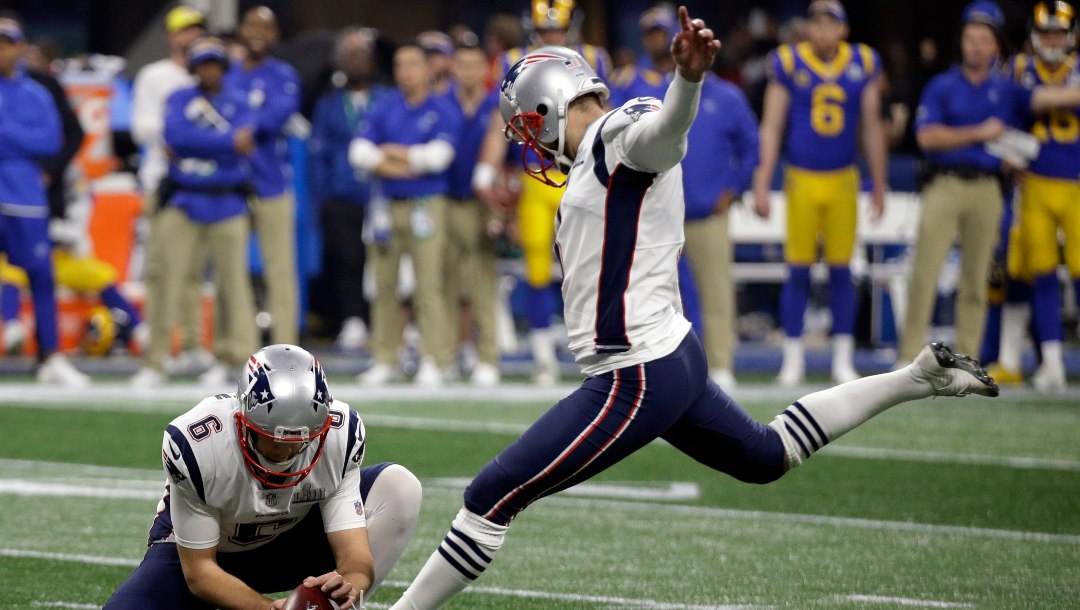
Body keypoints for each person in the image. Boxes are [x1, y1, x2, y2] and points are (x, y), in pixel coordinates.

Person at [388, 9, 999, 610]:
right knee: (767, 455)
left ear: (546, 108)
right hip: (670, 355)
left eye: (527, 125)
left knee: (491, 494)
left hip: (636, 373)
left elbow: (663, 136)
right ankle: (916, 377)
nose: (531, 142)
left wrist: (686, 81)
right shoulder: (607, 144)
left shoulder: (616, 133)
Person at [104, 344, 423, 609]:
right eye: (274, 439)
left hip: (290, 538)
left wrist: (349, 586)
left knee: (399, 487)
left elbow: (354, 557)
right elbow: (199, 572)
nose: (287, 453)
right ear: (242, 420)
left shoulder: (341, 434)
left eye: (301, 440)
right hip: (213, 552)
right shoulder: (199, 445)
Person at [898, 0, 1080, 366]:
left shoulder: (1007, 89)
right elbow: (927, 137)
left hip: (988, 187)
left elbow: (1049, 98)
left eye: (984, 39)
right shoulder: (942, 85)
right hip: (945, 184)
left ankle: (968, 360)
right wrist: (978, 133)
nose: (977, 46)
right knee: (925, 273)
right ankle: (906, 359)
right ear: (961, 42)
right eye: (971, 38)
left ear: (996, 45)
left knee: (977, 280)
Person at [610, 5, 759, 389]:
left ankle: (721, 364)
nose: (658, 39)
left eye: (663, 32)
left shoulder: (724, 94)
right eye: (651, 33)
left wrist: (735, 187)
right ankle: (659, 367)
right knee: (651, 292)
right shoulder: (631, 85)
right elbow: (611, 138)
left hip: (706, 208)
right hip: (653, 210)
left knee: (715, 289)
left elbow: (751, 145)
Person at [473, 0, 613, 386]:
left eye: (558, 30)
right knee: (535, 264)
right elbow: (498, 120)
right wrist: (486, 171)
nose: (552, 37)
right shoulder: (515, 60)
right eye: (546, 31)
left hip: (582, 173)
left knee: (593, 265)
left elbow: (606, 114)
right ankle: (542, 357)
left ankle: (600, 348)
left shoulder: (593, 58)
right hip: (537, 174)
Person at [751, 0, 888, 386]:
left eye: (832, 23)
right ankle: (792, 357)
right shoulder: (789, 62)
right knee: (798, 269)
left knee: (843, 270)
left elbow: (872, 125)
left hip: (844, 178)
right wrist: (762, 180)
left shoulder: (862, 61)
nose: (824, 30)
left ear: (843, 29)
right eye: (818, 23)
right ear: (808, 27)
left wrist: (879, 182)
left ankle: (842, 357)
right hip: (802, 178)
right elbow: (771, 126)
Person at [129, 36, 258, 387]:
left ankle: (234, 360)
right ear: (193, 68)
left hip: (227, 201)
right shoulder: (179, 98)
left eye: (215, 63)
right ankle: (155, 361)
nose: (209, 70)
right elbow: (174, 137)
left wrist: (203, 147)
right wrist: (226, 143)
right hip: (184, 199)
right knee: (166, 280)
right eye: (203, 64)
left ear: (223, 67)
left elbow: (243, 147)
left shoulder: (238, 101)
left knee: (234, 286)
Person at [349, 42, 462, 387]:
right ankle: (386, 356)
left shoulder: (442, 108)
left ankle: (434, 357)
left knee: (429, 284)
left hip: (427, 205)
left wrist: (389, 156)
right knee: (384, 284)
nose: (405, 72)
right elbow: (359, 153)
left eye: (412, 64)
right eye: (399, 65)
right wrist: (410, 163)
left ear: (427, 69)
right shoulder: (384, 105)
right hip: (387, 204)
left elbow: (438, 158)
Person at [0, 16, 88, 386]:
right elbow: (34, 140)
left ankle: (51, 354)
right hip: (17, 184)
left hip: (24, 195)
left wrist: (5, 134)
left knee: (40, 273)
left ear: (20, 47)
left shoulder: (37, 92)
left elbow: (51, 141)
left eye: (7, 42)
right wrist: (18, 141)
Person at [1001, 1, 1079, 392]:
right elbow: (1005, 115)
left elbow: (1024, 102)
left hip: (1077, 185)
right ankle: (1052, 363)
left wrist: (1036, 99)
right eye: (1046, 33)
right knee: (1042, 275)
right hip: (1033, 185)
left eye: (1058, 33)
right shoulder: (1017, 68)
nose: (1052, 40)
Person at [131, 4, 213, 374]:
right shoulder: (155, 75)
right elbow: (141, 127)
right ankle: (158, 351)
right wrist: (176, 135)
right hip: (163, 181)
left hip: (203, 183)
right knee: (162, 268)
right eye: (184, 30)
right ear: (170, 36)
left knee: (196, 270)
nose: (191, 35)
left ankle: (195, 345)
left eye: (197, 29)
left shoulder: (212, 73)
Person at [224, 6, 302, 355]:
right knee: (231, 269)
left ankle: (286, 350)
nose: (257, 32)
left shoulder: (283, 74)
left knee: (279, 270)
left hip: (271, 182)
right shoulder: (228, 73)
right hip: (230, 186)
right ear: (241, 29)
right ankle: (239, 350)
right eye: (251, 25)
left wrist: (241, 125)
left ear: (274, 36)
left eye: (265, 27)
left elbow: (275, 116)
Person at [308, 27, 387, 353]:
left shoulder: (387, 99)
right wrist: (323, 194)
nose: (357, 62)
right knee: (347, 259)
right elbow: (319, 153)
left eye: (362, 55)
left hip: (380, 193)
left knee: (383, 260)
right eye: (350, 55)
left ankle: (383, 322)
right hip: (342, 195)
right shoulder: (328, 102)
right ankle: (353, 319)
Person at [442, 41, 503, 387]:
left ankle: (488, 356)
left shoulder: (497, 104)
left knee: (482, 280)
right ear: (453, 68)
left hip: (482, 200)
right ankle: (449, 354)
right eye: (461, 65)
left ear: (485, 70)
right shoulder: (442, 102)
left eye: (474, 65)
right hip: (446, 198)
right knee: (447, 280)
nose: (468, 72)